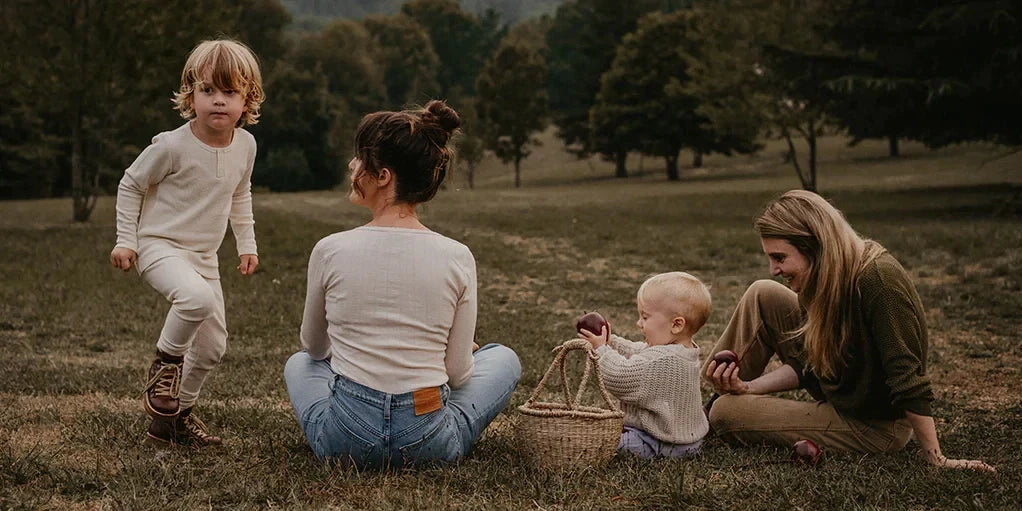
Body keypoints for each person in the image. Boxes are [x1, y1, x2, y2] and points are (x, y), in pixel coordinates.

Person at [283, 100, 521, 469]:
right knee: (503, 358)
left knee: (299, 364)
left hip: (346, 437)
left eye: (360, 158)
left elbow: (314, 347)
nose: (351, 165)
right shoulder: (457, 256)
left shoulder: (329, 249)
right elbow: (458, 373)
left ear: (383, 176)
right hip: (426, 436)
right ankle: (440, 433)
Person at [703, 190, 995, 472]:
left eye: (780, 258)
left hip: (872, 424)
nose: (774, 268)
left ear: (815, 248)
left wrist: (937, 459)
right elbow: (810, 363)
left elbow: (908, 377)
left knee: (726, 412)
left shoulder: (880, 281)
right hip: (839, 385)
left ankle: (705, 417)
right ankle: (692, 414)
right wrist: (748, 388)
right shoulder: (824, 275)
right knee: (762, 291)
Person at [110, 38, 264, 447]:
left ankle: (173, 421)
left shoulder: (245, 145)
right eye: (207, 90)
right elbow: (131, 184)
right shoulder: (171, 145)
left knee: (213, 348)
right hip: (159, 247)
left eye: (229, 92)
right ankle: (164, 367)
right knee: (195, 299)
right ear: (190, 94)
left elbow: (239, 194)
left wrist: (246, 244)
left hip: (204, 257)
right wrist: (127, 240)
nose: (218, 101)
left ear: (247, 98)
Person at [578, 272, 711, 459]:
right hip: (686, 439)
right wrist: (611, 342)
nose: (639, 323)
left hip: (662, 441)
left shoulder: (663, 360)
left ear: (676, 325)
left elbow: (621, 376)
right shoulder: (681, 351)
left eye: (645, 317)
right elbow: (639, 351)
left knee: (604, 441)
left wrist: (601, 350)